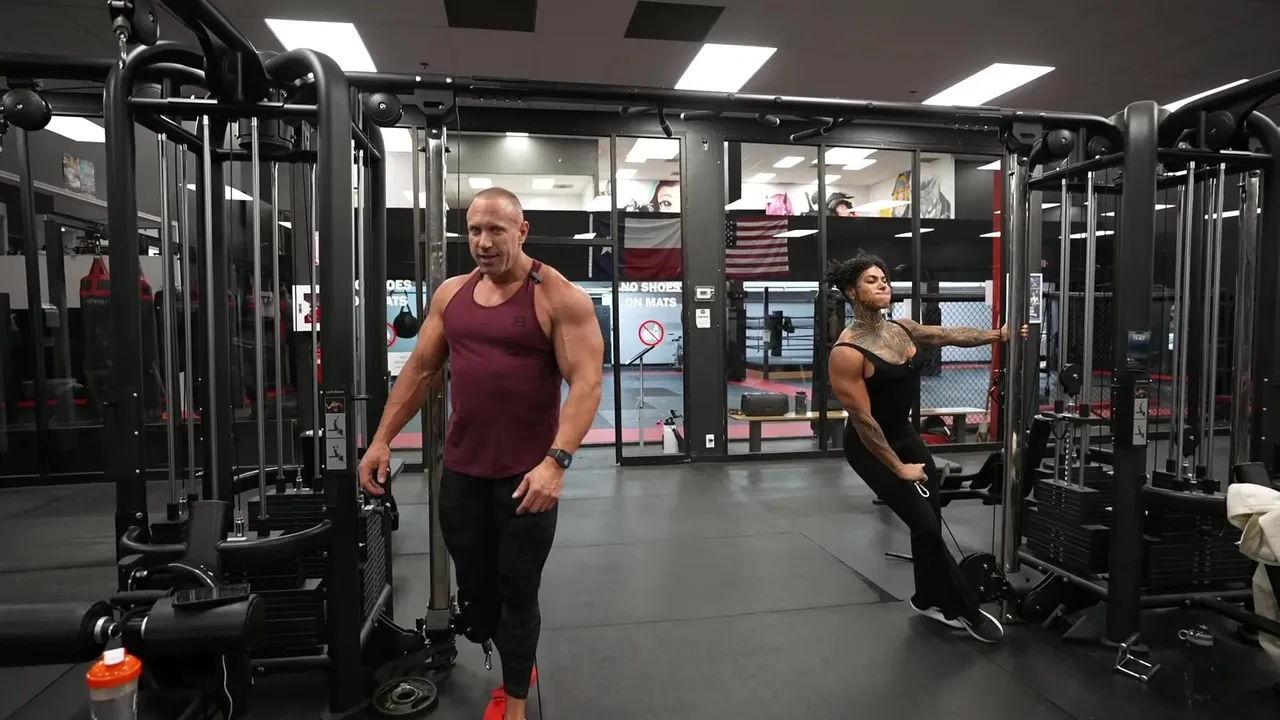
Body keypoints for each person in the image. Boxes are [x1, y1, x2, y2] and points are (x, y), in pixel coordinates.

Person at [359, 187, 605, 720]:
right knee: (476, 594)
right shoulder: (452, 294)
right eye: (474, 230)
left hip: (526, 479)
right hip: (463, 473)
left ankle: (515, 700)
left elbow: (586, 384)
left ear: (522, 231)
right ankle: (509, 648)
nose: (484, 242)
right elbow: (420, 370)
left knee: (519, 590)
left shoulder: (558, 296)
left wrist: (556, 462)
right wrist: (380, 439)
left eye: (496, 230)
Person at [825, 254, 1023, 644]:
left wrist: (998, 336)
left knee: (929, 519)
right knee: (928, 528)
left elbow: (949, 334)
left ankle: (926, 597)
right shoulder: (846, 352)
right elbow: (863, 420)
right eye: (871, 280)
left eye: (884, 278)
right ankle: (962, 609)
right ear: (851, 292)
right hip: (870, 446)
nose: (883, 284)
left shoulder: (903, 329)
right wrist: (899, 468)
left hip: (904, 435)